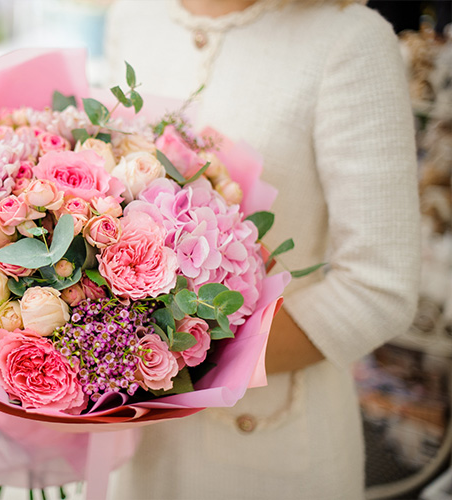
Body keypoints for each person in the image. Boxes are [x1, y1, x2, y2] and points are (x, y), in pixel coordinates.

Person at [104, 0, 421, 498]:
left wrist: (177, 360)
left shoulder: (349, 39)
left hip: (269, 441)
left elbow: (379, 288)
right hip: (138, 446)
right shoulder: (133, 16)